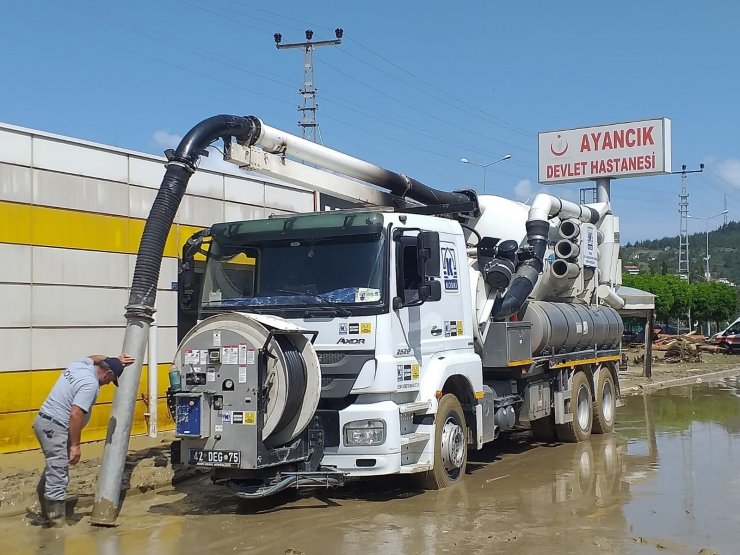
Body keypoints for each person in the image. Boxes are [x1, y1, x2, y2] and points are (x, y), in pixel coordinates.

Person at [31, 353, 134, 526]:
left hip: (45, 422)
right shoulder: (90, 384)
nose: (108, 384)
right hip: (55, 427)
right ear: (107, 374)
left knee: (54, 467)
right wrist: (75, 445)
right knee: (58, 474)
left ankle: (46, 513)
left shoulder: (80, 365)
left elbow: (93, 356)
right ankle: (57, 524)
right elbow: (76, 413)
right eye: (110, 380)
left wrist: (115, 359)